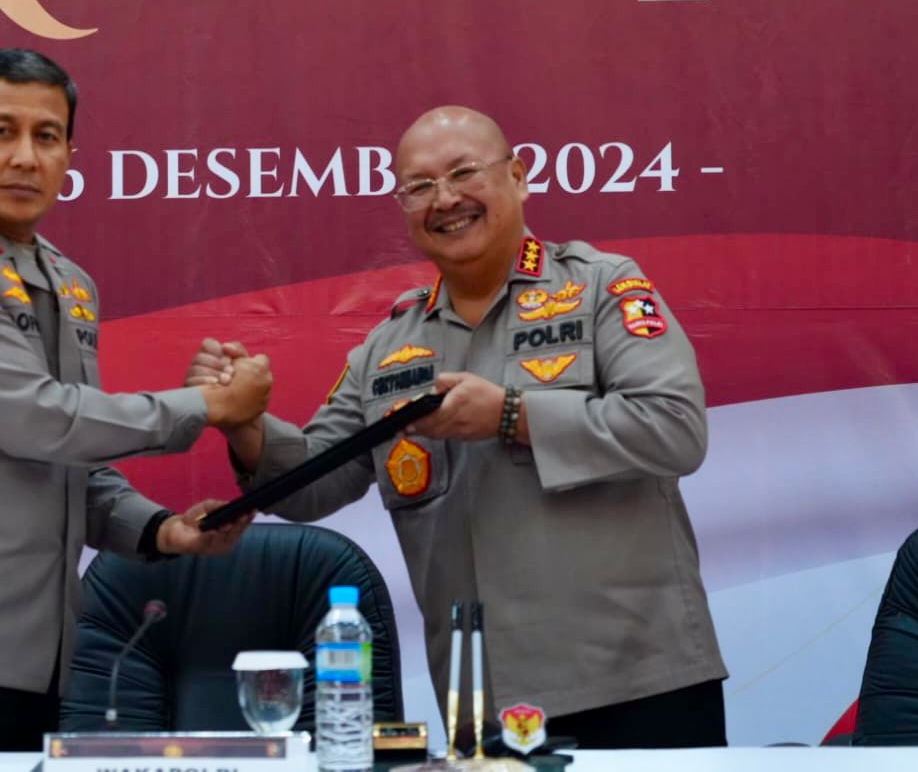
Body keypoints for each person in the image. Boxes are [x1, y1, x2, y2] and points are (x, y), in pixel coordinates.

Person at [190, 106, 726, 749]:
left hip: (636, 683)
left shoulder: (602, 289)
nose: (444, 200)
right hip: (481, 699)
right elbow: (310, 483)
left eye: (464, 172)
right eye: (419, 186)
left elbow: (674, 428)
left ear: (517, 177)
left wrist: (512, 415)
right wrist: (243, 423)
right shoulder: (388, 347)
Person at [0, 48, 271, 751]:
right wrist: (206, 405)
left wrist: (163, 531)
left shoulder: (69, 283)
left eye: (47, 136)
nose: (25, 157)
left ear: (70, 156)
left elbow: (73, 459)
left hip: (37, 666)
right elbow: (37, 420)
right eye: (1, 131)